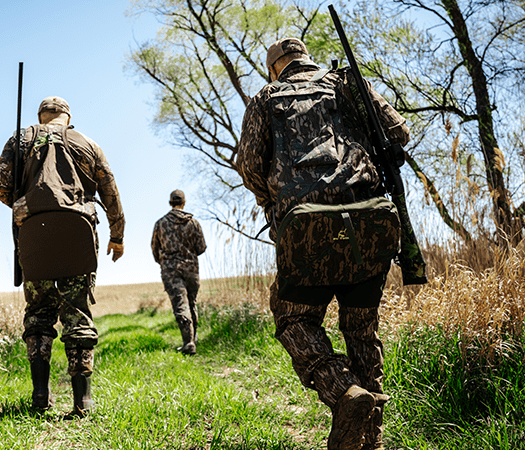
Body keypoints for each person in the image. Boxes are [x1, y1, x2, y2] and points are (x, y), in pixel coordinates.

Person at [235, 38, 410, 450]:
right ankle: (373, 438)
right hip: (369, 223)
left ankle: (344, 392)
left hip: (305, 231)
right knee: (362, 331)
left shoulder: (266, 97)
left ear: (276, 67)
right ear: (306, 57)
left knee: (293, 319)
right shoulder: (349, 83)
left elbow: (248, 165)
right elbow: (399, 132)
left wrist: (274, 201)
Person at [0, 96, 125, 418]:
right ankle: (83, 402)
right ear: (67, 117)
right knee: (77, 313)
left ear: (41, 116)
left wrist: (25, 207)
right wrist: (117, 237)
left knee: (38, 313)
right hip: (77, 236)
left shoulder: (21, 138)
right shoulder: (87, 143)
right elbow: (110, 192)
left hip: (34, 237)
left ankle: (40, 394)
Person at [151, 190, 206, 355]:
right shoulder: (194, 223)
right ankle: (193, 340)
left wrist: (164, 261)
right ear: (184, 202)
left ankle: (188, 342)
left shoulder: (160, 223)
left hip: (171, 270)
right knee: (191, 303)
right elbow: (201, 247)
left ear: (170, 203)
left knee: (180, 305)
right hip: (191, 269)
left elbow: (155, 248)